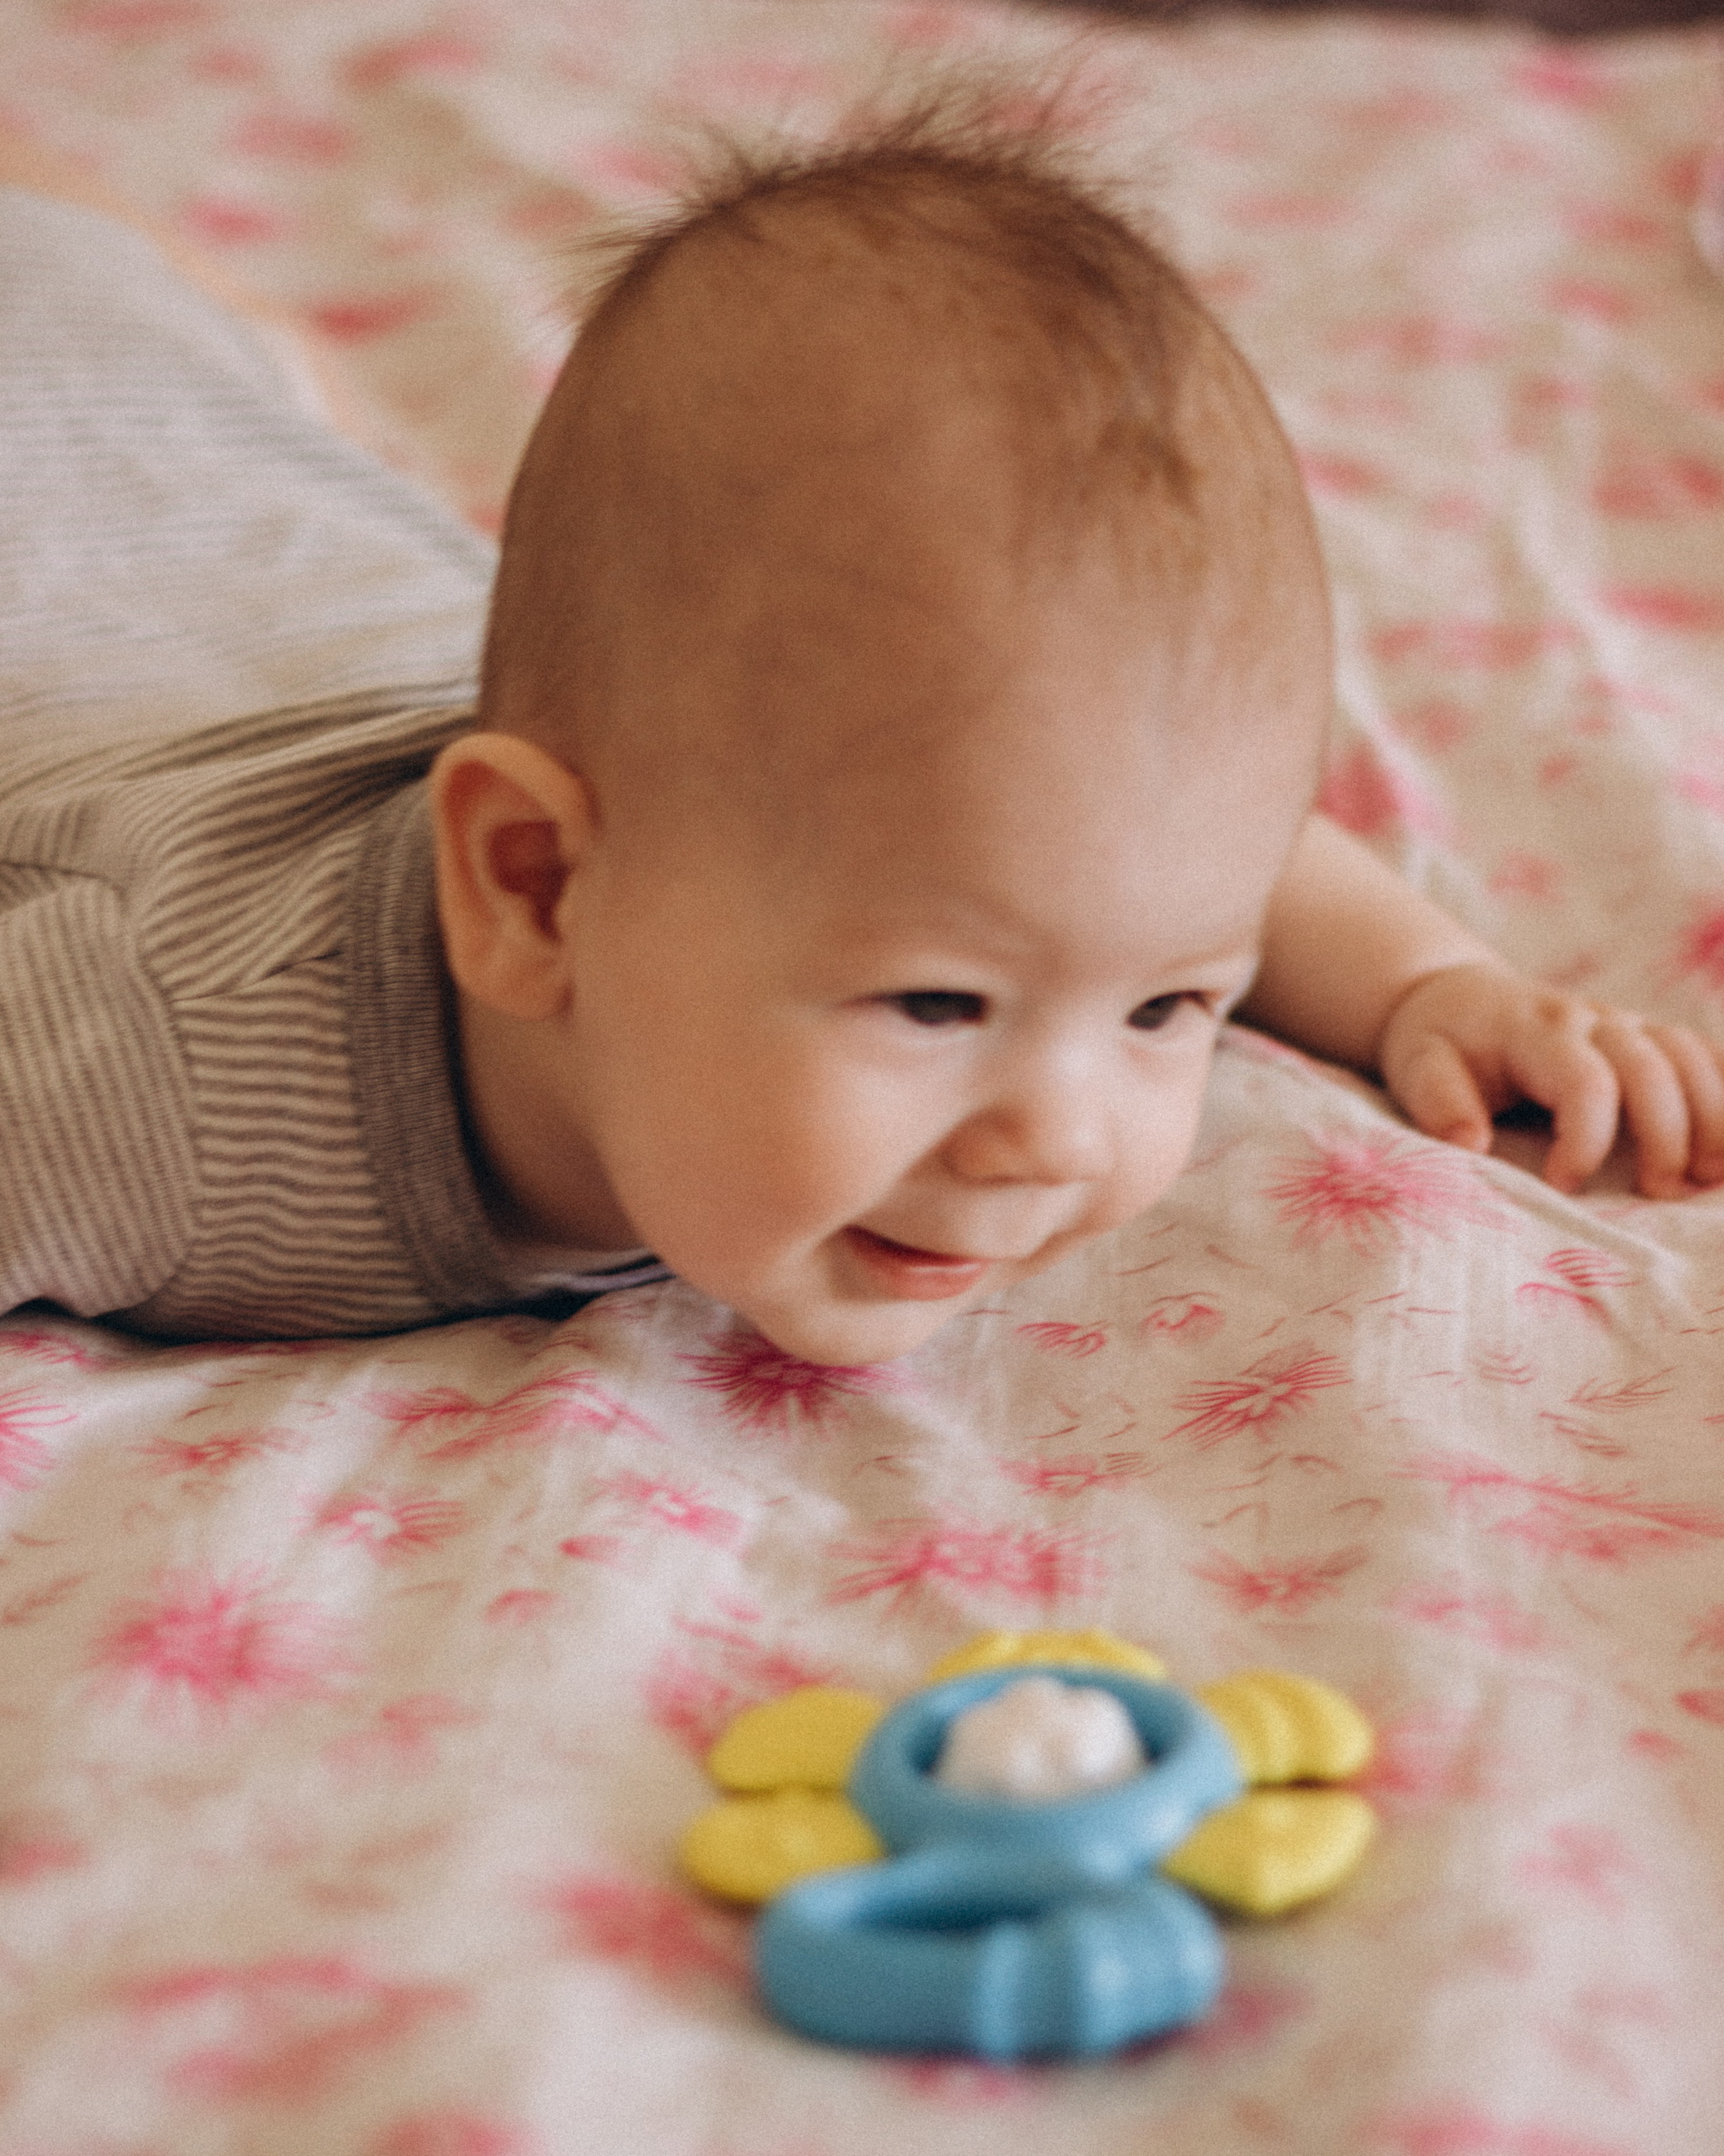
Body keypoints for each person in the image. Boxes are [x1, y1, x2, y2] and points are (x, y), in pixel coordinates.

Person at [3, 105, 1723, 1359]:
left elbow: (1212, 853)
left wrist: (1430, 986)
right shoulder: (145, 1084)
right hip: (70, 498)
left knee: (227, 395)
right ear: (531, 892)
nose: (1057, 1134)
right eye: (937, 1002)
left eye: (1162, 1005)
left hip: (261, 545)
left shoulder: (882, 834)